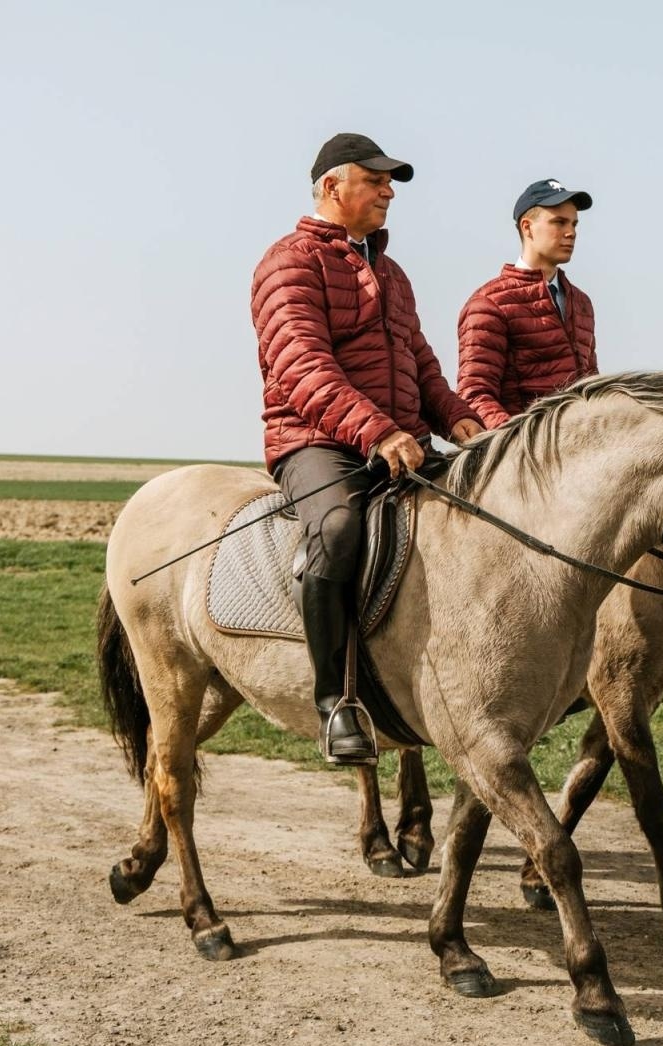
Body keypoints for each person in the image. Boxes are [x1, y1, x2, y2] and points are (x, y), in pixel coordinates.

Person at [251, 133, 483, 764]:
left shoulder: (391, 272)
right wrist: (375, 430)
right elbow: (301, 365)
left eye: (391, 184)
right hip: (316, 441)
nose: (388, 192)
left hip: (398, 441)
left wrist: (458, 418)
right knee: (338, 525)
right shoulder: (289, 262)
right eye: (376, 181)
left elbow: (421, 361)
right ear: (333, 187)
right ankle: (335, 703)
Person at [457, 179, 597, 429]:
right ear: (527, 227)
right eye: (559, 222)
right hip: (524, 460)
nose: (571, 232)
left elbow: (592, 388)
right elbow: (475, 395)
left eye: (574, 224)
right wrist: (522, 446)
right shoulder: (489, 303)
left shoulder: (582, 303)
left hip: (582, 454)